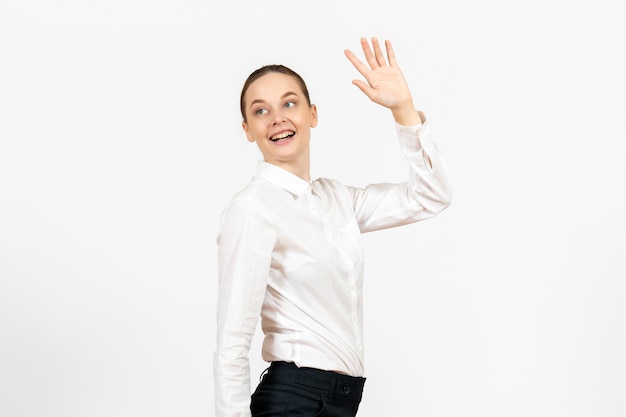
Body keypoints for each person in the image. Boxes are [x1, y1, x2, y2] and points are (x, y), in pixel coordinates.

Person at [214, 37, 452, 417]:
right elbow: (232, 341)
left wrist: (404, 110)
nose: (277, 118)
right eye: (261, 111)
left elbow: (431, 196)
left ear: (313, 114)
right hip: (294, 401)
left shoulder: (337, 200)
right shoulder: (252, 209)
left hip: (339, 402)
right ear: (248, 129)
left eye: (289, 103)